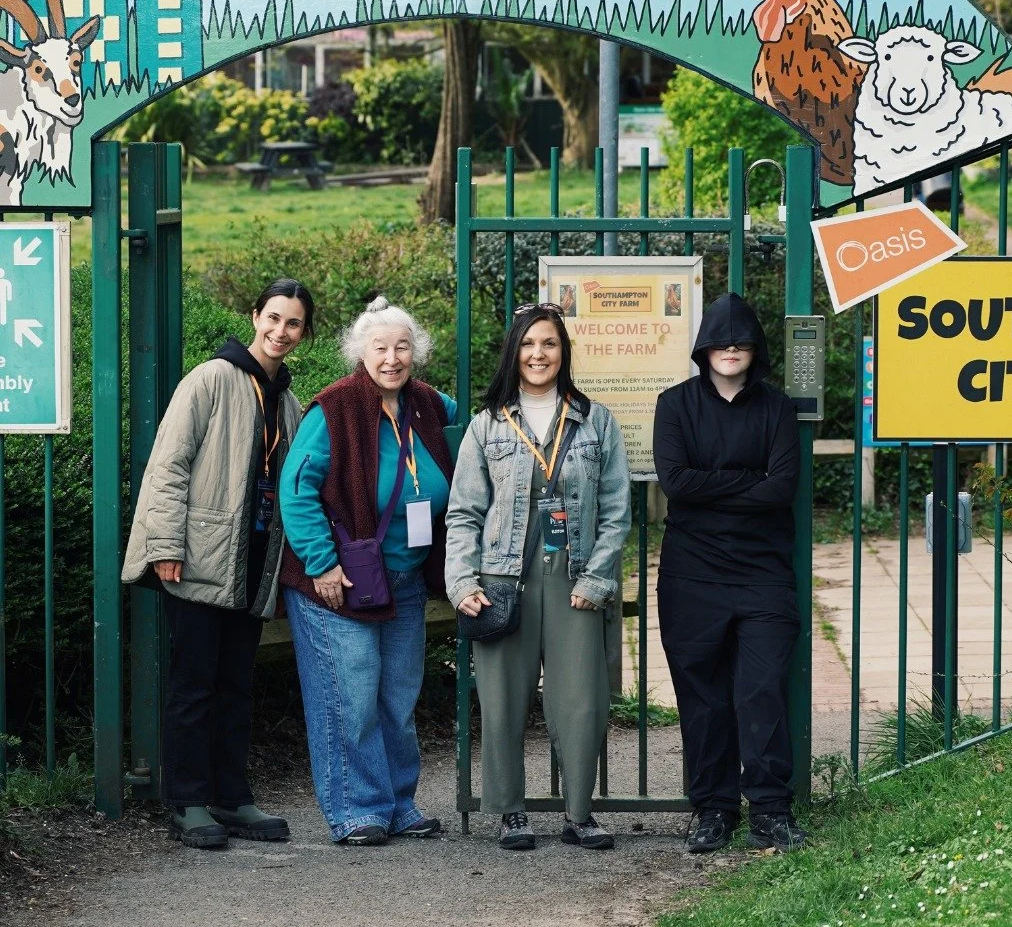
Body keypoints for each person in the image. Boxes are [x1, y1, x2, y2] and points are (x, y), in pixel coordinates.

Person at [123, 278, 314, 849]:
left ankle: (232, 798)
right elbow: (169, 465)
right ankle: (187, 801)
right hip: (199, 557)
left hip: (253, 561)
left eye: (293, 323)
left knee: (236, 686)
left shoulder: (288, 401)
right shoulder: (210, 379)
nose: (280, 331)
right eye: (273, 318)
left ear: (304, 332)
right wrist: (164, 545)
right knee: (194, 685)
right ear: (255, 316)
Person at [446, 302, 631, 851]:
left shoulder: (596, 421)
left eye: (549, 343)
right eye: (528, 344)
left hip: (574, 575)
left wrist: (597, 579)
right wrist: (462, 582)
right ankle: (510, 812)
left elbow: (616, 510)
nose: (538, 354)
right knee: (502, 699)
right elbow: (464, 512)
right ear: (514, 352)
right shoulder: (487, 424)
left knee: (582, 701)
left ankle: (579, 814)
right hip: (503, 579)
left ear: (563, 352)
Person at [279, 296, 455, 845]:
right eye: (380, 348)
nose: (392, 358)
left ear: (416, 352)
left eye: (402, 347)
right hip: (339, 580)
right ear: (361, 352)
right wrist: (322, 564)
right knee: (350, 698)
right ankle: (357, 810)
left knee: (398, 700)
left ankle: (399, 804)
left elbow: (482, 424)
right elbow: (296, 490)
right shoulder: (334, 409)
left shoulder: (429, 404)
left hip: (404, 578)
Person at [653, 292, 807, 854]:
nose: (731, 349)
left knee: (761, 691)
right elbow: (675, 482)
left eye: (741, 340)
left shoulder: (777, 408)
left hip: (764, 575)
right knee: (703, 698)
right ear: (704, 348)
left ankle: (770, 810)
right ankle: (712, 810)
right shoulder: (675, 405)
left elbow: (781, 488)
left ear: (756, 349)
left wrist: (710, 489)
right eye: (720, 340)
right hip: (691, 577)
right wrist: (748, 481)